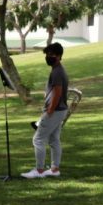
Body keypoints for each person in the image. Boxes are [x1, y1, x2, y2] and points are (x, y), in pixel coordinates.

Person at [22, 42, 69, 179]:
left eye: (52, 54)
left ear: (59, 56)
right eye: (47, 54)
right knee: (54, 139)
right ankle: (54, 169)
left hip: (55, 111)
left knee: (38, 139)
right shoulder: (58, 70)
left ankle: (39, 170)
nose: (49, 57)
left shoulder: (57, 72)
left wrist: (49, 111)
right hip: (60, 110)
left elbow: (58, 93)